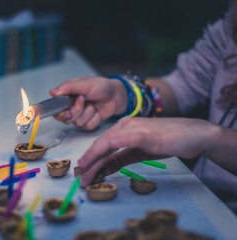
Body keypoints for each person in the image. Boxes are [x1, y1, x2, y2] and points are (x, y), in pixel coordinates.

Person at [50, 1, 237, 212]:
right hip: (206, 200)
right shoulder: (229, 29)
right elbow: (182, 87)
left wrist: (211, 137)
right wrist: (120, 94)